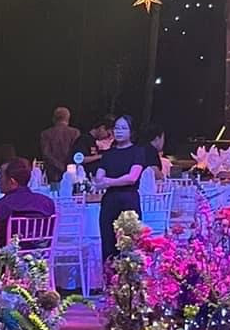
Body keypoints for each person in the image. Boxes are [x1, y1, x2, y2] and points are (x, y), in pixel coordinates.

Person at [92, 116, 153, 262]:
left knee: (130, 245)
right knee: (108, 243)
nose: (119, 131)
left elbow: (132, 177)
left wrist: (109, 181)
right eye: (117, 128)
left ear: (131, 131)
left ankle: (130, 275)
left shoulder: (138, 151)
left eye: (124, 128)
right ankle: (108, 274)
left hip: (128, 201)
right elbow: (99, 179)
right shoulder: (108, 154)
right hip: (109, 202)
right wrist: (110, 182)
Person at [0, 159, 56, 248]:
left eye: (1, 176)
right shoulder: (47, 203)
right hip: (40, 252)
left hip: (9, 254)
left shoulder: (0, 206)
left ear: (12, 181)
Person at [39, 107, 81, 182]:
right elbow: (76, 153)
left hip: (53, 172)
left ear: (54, 119)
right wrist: (67, 166)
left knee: (53, 189)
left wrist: (58, 165)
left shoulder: (46, 134)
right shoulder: (75, 133)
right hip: (71, 172)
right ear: (68, 118)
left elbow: (46, 154)